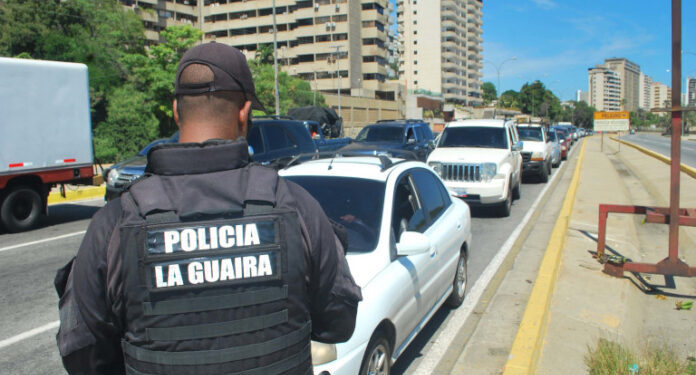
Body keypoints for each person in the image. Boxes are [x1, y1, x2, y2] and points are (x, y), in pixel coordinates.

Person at [54, 42, 362, 375]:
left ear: (176, 110)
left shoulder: (114, 224)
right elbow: (338, 323)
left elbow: (82, 354)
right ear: (244, 114)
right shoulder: (298, 209)